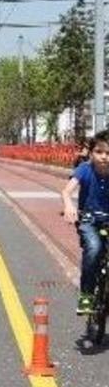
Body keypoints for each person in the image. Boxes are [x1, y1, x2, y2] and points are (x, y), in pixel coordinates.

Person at [62, 130, 109, 315]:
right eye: (99, 152)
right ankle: (87, 295)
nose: (104, 157)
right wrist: (69, 205)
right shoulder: (84, 169)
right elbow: (67, 191)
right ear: (91, 153)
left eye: (108, 153)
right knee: (94, 249)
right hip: (89, 219)